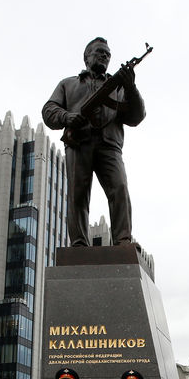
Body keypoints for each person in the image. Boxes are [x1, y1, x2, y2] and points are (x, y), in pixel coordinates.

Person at [42, 37, 145, 247]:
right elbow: (49, 110)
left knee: (120, 188)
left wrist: (131, 87)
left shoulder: (119, 86)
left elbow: (137, 116)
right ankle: (79, 243)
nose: (105, 56)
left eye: (107, 54)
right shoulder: (68, 84)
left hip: (110, 145)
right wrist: (67, 117)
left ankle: (123, 239)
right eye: (99, 52)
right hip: (79, 142)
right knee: (78, 194)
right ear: (86, 57)